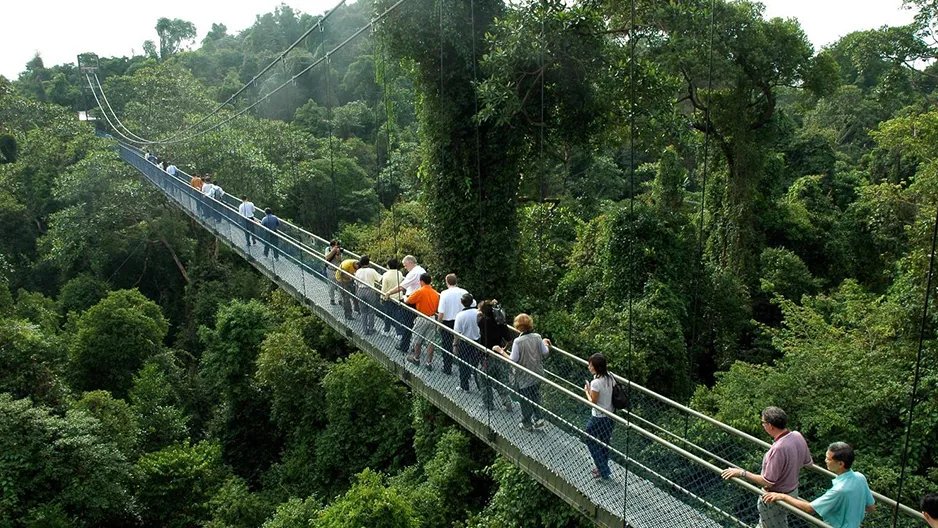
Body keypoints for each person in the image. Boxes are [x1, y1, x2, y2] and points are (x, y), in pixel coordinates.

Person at [721, 406, 813, 528]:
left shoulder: (778, 449)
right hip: (792, 492)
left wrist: (741, 473)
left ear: (770, 426)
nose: (763, 425)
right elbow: (808, 463)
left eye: (763, 422)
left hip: (774, 498)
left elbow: (768, 481)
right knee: (772, 523)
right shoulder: (796, 436)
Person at [764, 442, 875, 528]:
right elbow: (871, 507)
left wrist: (783, 496)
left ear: (841, 464)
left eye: (828, 458)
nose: (825, 460)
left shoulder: (839, 490)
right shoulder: (860, 477)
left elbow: (809, 509)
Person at [494, 313, 551, 431]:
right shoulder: (537, 337)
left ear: (517, 327)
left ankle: (527, 423)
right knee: (535, 395)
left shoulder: (518, 342)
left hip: (524, 376)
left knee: (525, 400)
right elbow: (545, 353)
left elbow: (512, 360)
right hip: (537, 373)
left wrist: (500, 351)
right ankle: (539, 418)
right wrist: (545, 343)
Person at [384, 255, 426, 353]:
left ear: (410, 262)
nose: (405, 267)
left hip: (412, 301)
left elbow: (402, 287)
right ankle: (414, 345)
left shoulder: (414, 273)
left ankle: (404, 346)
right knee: (414, 324)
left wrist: (389, 292)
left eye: (405, 265)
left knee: (407, 323)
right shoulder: (421, 270)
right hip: (419, 301)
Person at [583, 353, 615, 480]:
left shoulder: (595, 383)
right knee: (604, 442)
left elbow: (593, 402)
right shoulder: (610, 377)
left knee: (589, 438)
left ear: (596, 367)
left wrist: (586, 391)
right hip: (611, 415)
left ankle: (603, 469)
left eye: (590, 365)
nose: (589, 367)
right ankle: (602, 467)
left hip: (598, 417)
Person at [477, 299, 513, 412]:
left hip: (486, 356)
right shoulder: (500, 323)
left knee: (484, 379)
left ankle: (488, 404)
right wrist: (503, 350)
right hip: (498, 355)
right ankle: (507, 401)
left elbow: (478, 316)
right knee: (501, 379)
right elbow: (509, 339)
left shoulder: (482, 322)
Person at [404, 273, 439, 370]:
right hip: (432, 319)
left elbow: (408, 301)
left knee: (417, 339)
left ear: (422, 281)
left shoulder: (420, 291)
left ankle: (416, 358)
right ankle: (429, 363)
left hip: (422, 318)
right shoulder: (435, 293)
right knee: (430, 342)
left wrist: (405, 297)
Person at [437, 273, 469, 376]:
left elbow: (441, 312)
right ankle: (465, 372)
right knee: (463, 346)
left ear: (447, 282)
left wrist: (438, 324)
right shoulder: (464, 292)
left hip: (448, 322)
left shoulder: (444, 293)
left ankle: (447, 368)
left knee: (446, 345)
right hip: (463, 321)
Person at [452, 293, 480, 391]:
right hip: (477, 342)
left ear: (462, 303)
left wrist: (455, 344)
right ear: (472, 302)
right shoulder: (478, 313)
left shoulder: (460, 315)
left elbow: (457, 333)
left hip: (464, 342)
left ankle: (464, 386)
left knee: (463, 364)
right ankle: (480, 386)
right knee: (477, 365)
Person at [355, 256, 382, 333]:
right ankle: (371, 329)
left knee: (363, 312)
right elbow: (380, 279)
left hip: (360, 290)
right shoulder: (371, 270)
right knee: (371, 311)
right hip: (370, 290)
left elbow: (356, 283)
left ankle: (364, 329)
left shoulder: (358, 271)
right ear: (368, 262)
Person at [380, 258, 405, 336]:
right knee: (398, 316)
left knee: (388, 315)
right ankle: (399, 334)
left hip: (389, 298)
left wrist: (382, 297)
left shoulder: (386, 275)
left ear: (388, 266)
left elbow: (384, 288)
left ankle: (386, 331)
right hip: (399, 298)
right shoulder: (400, 273)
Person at [324, 240, 343, 305]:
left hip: (337, 270)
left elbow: (339, 260)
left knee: (340, 286)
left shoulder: (339, 250)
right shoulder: (328, 249)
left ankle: (340, 300)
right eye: (336, 246)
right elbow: (327, 257)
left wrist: (337, 253)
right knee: (331, 286)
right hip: (330, 270)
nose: (337, 247)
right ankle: (332, 299)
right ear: (332, 246)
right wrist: (333, 251)